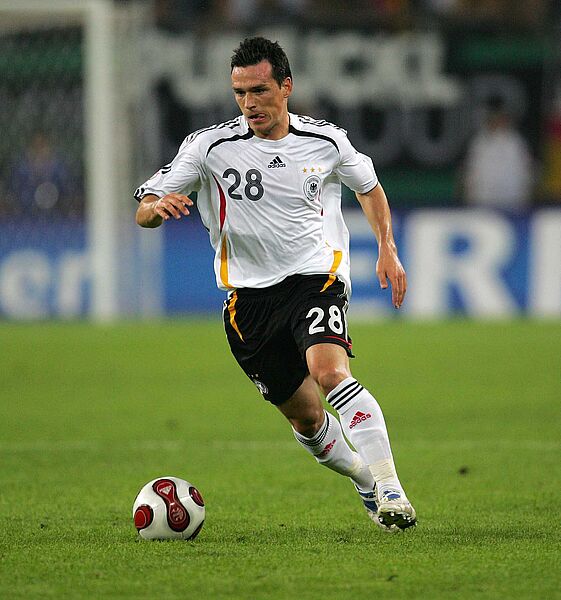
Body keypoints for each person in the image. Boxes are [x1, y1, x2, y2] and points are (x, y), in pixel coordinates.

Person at [135, 37, 416, 531]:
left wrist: (387, 247)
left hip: (315, 277)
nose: (249, 104)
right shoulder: (208, 147)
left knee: (330, 373)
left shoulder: (326, 141)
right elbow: (144, 208)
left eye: (259, 91)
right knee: (307, 419)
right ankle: (364, 479)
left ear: (286, 87)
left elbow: (369, 186)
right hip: (248, 303)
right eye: (240, 93)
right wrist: (157, 208)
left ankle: (391, 486)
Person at [463, 95, 533, 210]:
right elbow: (470, 175)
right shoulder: (479, 143)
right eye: (492, 118)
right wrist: (471, 201)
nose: (496, 121)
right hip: (483, 204)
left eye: (500, 117)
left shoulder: (516, 142)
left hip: (513, 204)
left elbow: (527, 174)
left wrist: (524, 200)